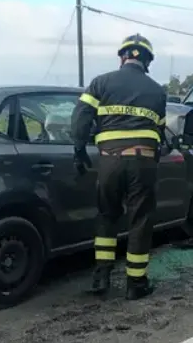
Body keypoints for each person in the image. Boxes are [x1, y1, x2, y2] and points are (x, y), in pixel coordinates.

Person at [71, 33, 167, 301]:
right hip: (143, 161)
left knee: (106, 215)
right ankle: (136, 283)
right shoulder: (158, 91)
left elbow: (80, 116)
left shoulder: (100, 83)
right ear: (147, 61)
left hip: (110, 160)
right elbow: (158, 131)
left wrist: (78, 149)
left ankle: (101, 277)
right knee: (140, 220)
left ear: (122, 57)